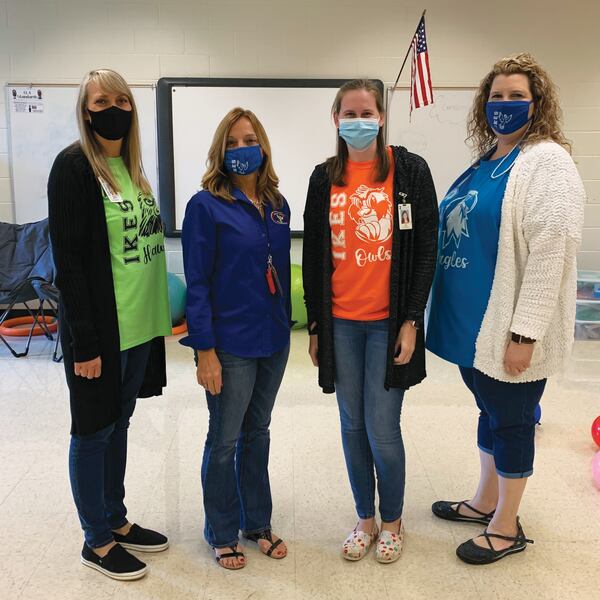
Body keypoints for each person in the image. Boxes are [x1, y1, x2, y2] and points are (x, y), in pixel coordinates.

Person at [426, 53, 585, 565]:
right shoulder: (488, 160)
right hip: (471, 327)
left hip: (508, 332)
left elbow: (552, 249)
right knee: (490, 413)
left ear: (537, 104)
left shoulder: (547, 162)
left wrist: (525, 333)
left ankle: (507, 525)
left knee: (512, 422)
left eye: (517, 96)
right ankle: (484, 500)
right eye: (497, 96)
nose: (505, 105)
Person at [302, 79, 438, 564]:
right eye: (348, 113)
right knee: (351, 426)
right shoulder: (324, 178)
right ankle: (365, 518)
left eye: (367, 112)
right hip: (341, 325)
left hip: (388, 325)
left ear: (381, 117)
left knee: (383, 429)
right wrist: (316, 325)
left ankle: (394, 521)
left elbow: (425, 251)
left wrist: (410, 321)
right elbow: (315, 256)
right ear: (336, 120)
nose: (358, 121)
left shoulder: (411, 172)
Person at [47, 70, 172, 580]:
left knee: (118, 425)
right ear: (86, 109)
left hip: (139, 326)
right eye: (102, 100)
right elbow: (69, 263)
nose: (114, 107)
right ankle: (95, 540)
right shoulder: (74, 167)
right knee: (93, 431)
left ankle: (115, 519)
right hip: (101, 332)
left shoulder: (132, 169)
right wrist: (85, 341)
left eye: (122, 99)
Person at [181, 107, 292, 570]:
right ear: (219, 151)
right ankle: (222, 530)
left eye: (249, 139)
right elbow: (198, 283)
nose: (242, 149)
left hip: (273, 339)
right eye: (232, 142)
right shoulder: (204, 205)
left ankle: (257, 522)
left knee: (258, 432)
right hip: (229, 343)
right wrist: (205, 352)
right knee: (224, 439)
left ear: (262, 145)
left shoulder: (278, 203)